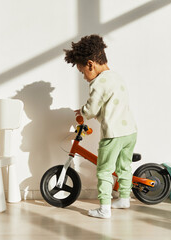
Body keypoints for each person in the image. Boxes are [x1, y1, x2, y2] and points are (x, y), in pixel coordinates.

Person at [64, 34, 137, 218]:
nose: (84, 77)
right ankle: (125, 198)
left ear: (90, 64)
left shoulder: (98, 83)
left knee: (104, 170)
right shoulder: (116, 77)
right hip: (130, 132)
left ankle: (104, 208)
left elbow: (91, 108)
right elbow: (110, 105)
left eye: (82, 72)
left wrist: (82, 111)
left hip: (112, 134)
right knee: (124, 166)